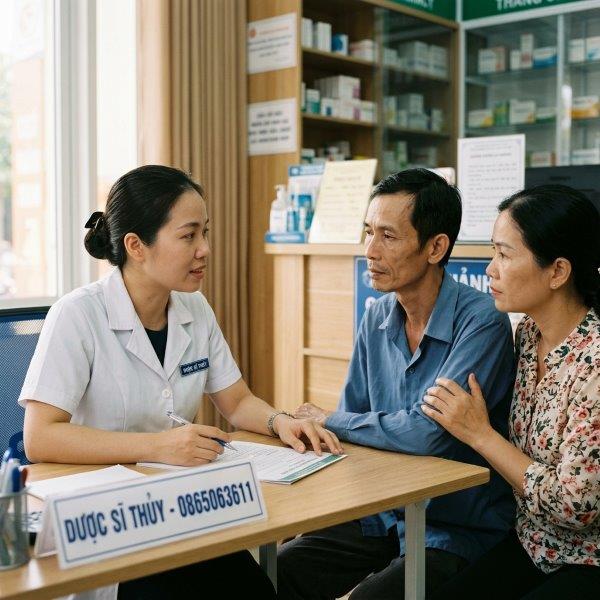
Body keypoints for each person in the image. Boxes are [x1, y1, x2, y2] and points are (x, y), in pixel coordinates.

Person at [19, 164, 343, 600]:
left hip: (179, 510)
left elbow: (236, 400)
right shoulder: (78, 315)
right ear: (136, 246)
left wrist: (278, 421)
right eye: (189, 236)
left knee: (256, 592)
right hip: (106, 525)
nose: (205, 249)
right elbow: (40, 437)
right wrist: (158, 446)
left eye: (204, 233)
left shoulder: (195, 309)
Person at [277, 168, 516, 600]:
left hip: (454, 527)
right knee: (279, 569)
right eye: (369, 232)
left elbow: (430, 435)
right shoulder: (376, 316)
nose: (370, 250)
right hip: (381, 515)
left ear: (435, 247)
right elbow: (347, 431)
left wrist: (332, 419)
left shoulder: (482, 321)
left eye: (388, 236)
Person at [424, 185, 600, 599]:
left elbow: (575, 506)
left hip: (587, 559)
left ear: (558, 272)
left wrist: (481, 435)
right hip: (530, 543)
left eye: (504, 254)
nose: (490, 269)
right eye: (493, 252)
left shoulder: (594, 364)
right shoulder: (528, 333)